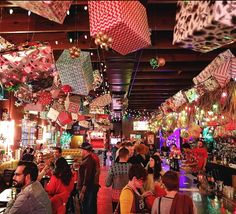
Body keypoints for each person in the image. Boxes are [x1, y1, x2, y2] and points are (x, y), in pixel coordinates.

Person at [106, 147, 131, 212]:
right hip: (128, 193)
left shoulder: (113, 167)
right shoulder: (131, 166)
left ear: (119, 155)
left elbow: (107, 183)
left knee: (116, 211)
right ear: (127, 156)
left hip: (116, 195)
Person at [78, 142, 97, 214]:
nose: (80, 152)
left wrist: (83, 190)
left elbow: (87, 176)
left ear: (85, 150)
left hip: (87, 189)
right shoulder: (87, 159)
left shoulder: (89, 161)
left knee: (87, 208)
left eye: (81, 150)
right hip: (87, 188)